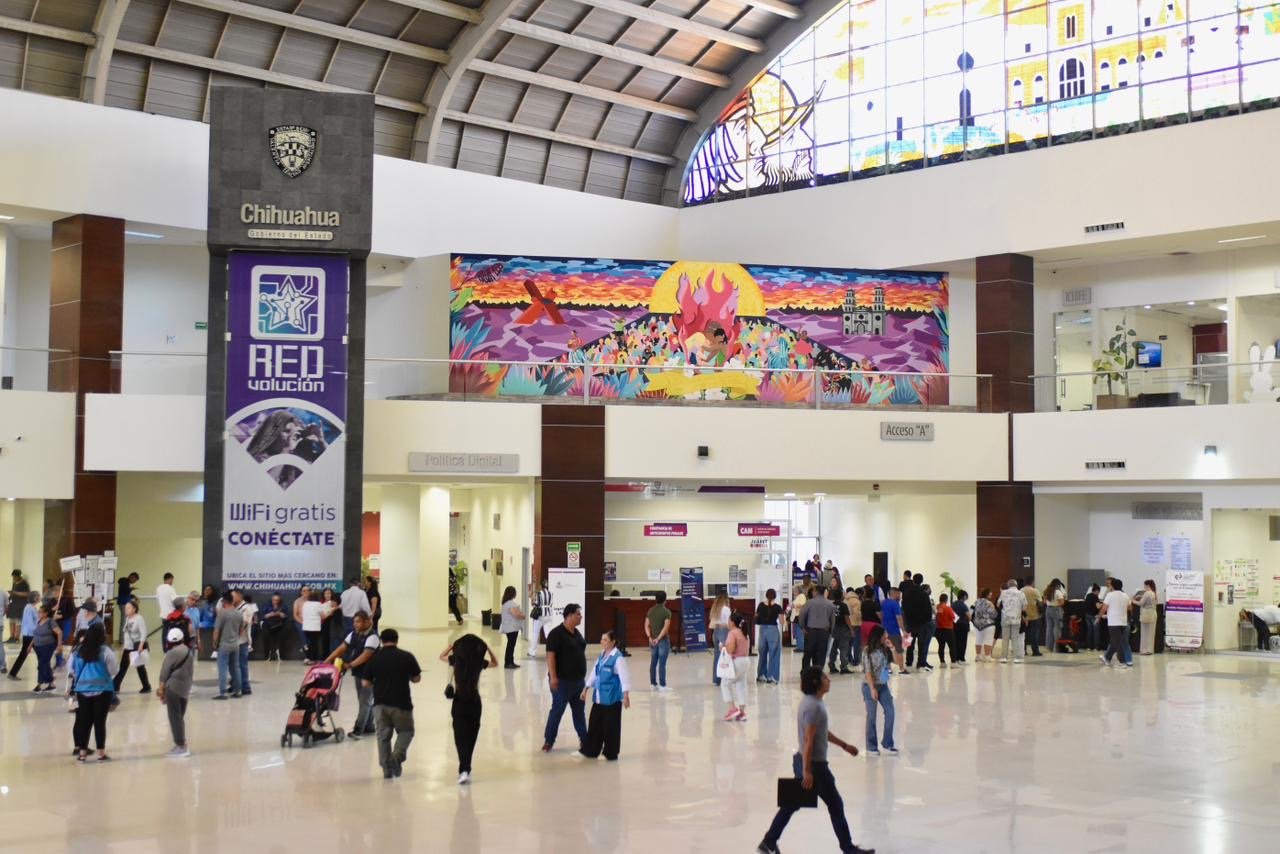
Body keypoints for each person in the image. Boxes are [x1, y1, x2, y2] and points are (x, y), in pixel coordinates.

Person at [756, 666, 874, 854]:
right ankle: (848, 848)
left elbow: (821, 732)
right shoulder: (814, 707)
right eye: (825, 678)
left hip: (803, 760)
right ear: (816, 683)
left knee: (791, 804)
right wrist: (807, 771)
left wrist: (844, 745)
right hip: (815, 765)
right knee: (835, 804)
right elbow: (809, 740)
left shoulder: (810, 702)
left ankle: (769, 841)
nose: (829, 680)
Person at [362, 628, 422, 780]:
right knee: (406, 732)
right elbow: (416, 678)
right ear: (397, 639)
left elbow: (365, 682)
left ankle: (387, 770)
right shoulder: (406, 656)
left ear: (381, 641)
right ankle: (397, 757)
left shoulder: (374, 658)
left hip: (379, 704)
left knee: (383, 737)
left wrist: (377, 685)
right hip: (401, 703)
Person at [440, 633, 497, 784]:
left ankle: (464, 769)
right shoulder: (479, 662)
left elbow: (441, 656)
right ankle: (466, 768)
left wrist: (450, 647)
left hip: (459, 702)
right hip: (475, 702)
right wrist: (489, 649)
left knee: (460, 738)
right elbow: (495, 663)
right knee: (472, 736)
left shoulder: (456, 660)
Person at [578, 629, 631, 760]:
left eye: (605, 640)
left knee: (611, 728)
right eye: (602, 639)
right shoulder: (602, 655)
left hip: (611, 700)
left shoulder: (618, 658)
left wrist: (626, 696)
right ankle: (591, 750)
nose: (602, 642)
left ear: (613, 642)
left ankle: (611, 753)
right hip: (599, 698)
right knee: (594, 724)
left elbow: (624, 677)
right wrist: (586, 689)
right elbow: (594, 673)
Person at [542, 603, 588, 752]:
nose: (581, 616)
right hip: (562, 682)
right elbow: (550, 656)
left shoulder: (577, 633)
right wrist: (553, 677)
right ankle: (549, 740)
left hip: (578, 682)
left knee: (579, 712)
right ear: (569, 616)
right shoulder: (556, 634)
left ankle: (584, 739)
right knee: (557, 711)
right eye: (578, 614)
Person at [326, 610, 380, 737]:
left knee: (365, 701)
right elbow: (342, 648)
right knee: (363, 700)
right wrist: (327, 660)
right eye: (354, 622)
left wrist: (350, 665)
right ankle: (369, 726)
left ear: (367, 622)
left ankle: (358, 730)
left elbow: (366, 655)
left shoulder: (373, 636)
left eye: (358, 622)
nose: (355, 624)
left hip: (370, 674)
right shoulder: (355, 634)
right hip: (359, 672)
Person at [69, 623, 119, 762]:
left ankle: (82, 754)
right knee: (99, 722)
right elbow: (113, 670)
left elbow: (72, 669)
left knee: (84, 722)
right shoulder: (106, 651)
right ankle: (101, 753)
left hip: (82, 690)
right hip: (103, 690)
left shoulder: (78, 651)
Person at [156, 626, 196, 757]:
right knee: (179, 717)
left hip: (173, 688)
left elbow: (164, 673)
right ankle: (181, 743)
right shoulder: (188, 651)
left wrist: (161, 691)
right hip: (185, 688)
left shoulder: (171, 653)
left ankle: (181, 746)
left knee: (175, 717)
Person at [861, 626, 899, 756]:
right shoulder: (867, 651)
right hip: (869, 686)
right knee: (871, 715)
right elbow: (867, 671)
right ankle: (871, 746)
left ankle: (887, 743)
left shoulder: (885, 649)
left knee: (890, 712)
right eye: (884, 635)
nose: (886, 636)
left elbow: (898, 663)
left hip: (883, 685)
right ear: (878, 636)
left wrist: (892, 648)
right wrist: (872, 688)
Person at [113, 600, 151, 693]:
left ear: (134, 609)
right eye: (126, 608)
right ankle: (115, 685)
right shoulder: (127, 619)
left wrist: (141, 646)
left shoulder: (139, 618)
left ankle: (146, 686)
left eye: (128, 608)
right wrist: (124, 646)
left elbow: (143, 633)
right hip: (128, 647)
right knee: (123, 667)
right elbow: (126, 634)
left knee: (139, 667)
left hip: (136, 646)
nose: (126, 609)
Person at [212, 592, 244, 698]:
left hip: (224, 645)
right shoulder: (239, 613)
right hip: (235, 645)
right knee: (235, 668)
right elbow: (241, 629)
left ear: (224, 601)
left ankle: (222, 693)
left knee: (222, 668)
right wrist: (236, 639)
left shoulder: (222, 613)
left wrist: (214, 642)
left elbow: (216, 631)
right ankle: (238, 691)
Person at [720, 612, 750, 722]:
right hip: (745, 661)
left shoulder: (732, 633)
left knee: (725, 683)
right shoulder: (744, 632)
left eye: (728, 620)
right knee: (741, 685)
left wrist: (723, 648)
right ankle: (742, 713)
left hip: (736, 661)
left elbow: (731, 649)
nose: (727, 622)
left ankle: (732, 708)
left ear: (732, 622)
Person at [902, 573, 933, 671]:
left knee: (909, 643)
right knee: (921, 644)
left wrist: (906, 619)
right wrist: (927, 620)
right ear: (921, 581)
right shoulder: (924, 594)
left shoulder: (907, 593)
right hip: (921, 623)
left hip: (909, 623)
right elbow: (928, 610)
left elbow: (903, 606)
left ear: (913, 581)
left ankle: (908, 663)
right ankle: (920, 664)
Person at [800, 585, 836, 673]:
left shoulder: (809, 602)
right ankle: (818, 672)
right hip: (824, 632)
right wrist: (831, 631)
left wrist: (802, 627)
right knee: (821, 653)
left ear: (816, 591)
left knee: (808, 653)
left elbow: (802, 614)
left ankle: (805, 672)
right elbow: (833, 620)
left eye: (813, 591)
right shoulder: (830, 604)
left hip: (810, 632)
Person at [1100, 578, 1133, 668]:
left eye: (1109, 584)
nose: (1108, 586)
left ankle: (1123, 662)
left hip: (1115, 623)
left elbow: (1104, 608)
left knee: (1119, 643)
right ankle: (1107, 658)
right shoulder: (1125, 595)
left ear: (1112, 586)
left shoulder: (1110, 595)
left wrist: (1099, 617)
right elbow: (1130, 608)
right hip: (1123, 622)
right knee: (1115, 642)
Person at [7, 592, 40, 680]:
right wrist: (38, 629)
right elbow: (30, 624)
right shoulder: (29, 608)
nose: (39, 598)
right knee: (35, 654)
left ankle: (12, 674)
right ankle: (12, 674)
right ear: (34, 598)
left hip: (31, 634)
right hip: (29, 635)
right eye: (38, 596)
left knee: (35, 654)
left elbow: (36, 620)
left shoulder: (32, 607)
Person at [645, 591, 673, 690]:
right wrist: (658, 638)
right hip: (663, 640)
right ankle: (662, 685)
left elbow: (646, 625)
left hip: (652, 640)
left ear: (655, 599)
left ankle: (653, 684)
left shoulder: (650, 611)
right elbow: (665, 628)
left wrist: (650, 637)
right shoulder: (667, 612)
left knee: (653, 662)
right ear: (665, 600)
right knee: (662, 663)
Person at [31, 603, 62, 692]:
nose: (39, 614)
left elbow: (59, 632)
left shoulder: (50, 621)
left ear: (46, 613)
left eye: (40, 612)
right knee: (45, 664)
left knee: (42, 664)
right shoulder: (39, 621)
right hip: (38, 647)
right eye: (38, 612)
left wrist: (59, 645)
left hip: (47, 646)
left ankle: (39, 684)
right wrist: (30, 646)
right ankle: (51, 684)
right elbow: (35, 635)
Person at [755, 589, 782, 685]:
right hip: (773, 630)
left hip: (762, 630)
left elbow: (756, 616)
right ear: (775, 596)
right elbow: (782, 621)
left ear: (766, 595)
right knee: (774, 653)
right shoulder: (778, 607)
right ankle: (772, 676)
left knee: (762, 653)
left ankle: (761, 675)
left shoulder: (760, 605)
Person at [997, 580, 1027, 664]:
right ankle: (1016, 658)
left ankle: (1004, 657)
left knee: (1005, 638)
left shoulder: (1003, 593)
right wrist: (1019, 610)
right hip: (1016, 619)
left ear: (1008, 585)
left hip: (1005, 618)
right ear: (1016, 585)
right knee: (1015, 638)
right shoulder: (1021, 593)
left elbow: (998, 604)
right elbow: (1025, 607)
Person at [881, 587, 908, 675]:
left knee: (887, 650)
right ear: (894, 593)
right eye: (899, 594)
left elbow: (881, 615)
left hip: (885, 630)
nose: (900, 596)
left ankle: (888, 668)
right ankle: (901, 669)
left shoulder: (884, 603)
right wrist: (903, 630)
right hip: (894, 631)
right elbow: (899, 618)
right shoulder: (895, 604)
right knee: (899, 650)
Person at [234, 590, 257, 694]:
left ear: (239, 596)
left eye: (233, 596)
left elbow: (244, 624)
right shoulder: (234, 607)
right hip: (233, 640)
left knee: (242, 664)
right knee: (234, 664)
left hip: (242, 640)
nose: (232, 598)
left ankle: (245, 687)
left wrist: (236, 635)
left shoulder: (246, 608)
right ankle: (235, 684)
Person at [828, 588, 854, 675]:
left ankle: (831, 665)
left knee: (834, 647)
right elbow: (846, 618)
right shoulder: (843, 605)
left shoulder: (831, 605)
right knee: (844, 648)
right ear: (842, 596)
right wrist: (851, 629)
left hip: (834, 628)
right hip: (843, 628)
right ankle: (844, 667)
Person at [498, 586, 524, 669]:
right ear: (512, 593)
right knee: (511, 645)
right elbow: (516, 614)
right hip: (511, 628)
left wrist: (520, 613)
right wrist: (522, 615)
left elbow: (517, 613)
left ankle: (510, 662)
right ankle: (508, 663)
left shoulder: (506, 603)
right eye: (515, 591)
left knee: (511, 645)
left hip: (510, 627)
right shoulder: (510, 604)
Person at [709, 592, 732, 685]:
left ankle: (716, 679)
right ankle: (724, 677)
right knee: (724, 655)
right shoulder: (726, 609)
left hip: (715, 631)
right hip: (724, 631)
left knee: (717, 655)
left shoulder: (715, 608)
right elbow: (729, 623)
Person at [528, 578, 553, 658]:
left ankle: (532, 652)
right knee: (548, 634)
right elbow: (551, 604)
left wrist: (533, 601)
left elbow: (537, 604)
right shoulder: (551, 593)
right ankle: (552, 651)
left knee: (535, 633)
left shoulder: (539, 594)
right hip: (549, 615)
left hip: (540, 616)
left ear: (541, 586)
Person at [260, 594, 289, 661]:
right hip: (268, 624)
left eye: (277, 600)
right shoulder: (266, 606)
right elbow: (263, 616)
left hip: (280, 624)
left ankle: (280, 654)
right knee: (266, 638)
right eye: (274, 600)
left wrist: (280, 614)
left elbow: (286, 616)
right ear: (271, 600)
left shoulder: (283, 606)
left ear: (279, 600)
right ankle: (268, 655)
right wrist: (270, 614)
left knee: (282, 637)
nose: (275, 601)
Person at [1021, 579, 1044, 657]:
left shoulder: (1021, 591)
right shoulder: (1035, 591)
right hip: (1034, 615)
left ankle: (1023, 651)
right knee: (1034, 634)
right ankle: (1035, 651)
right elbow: (1040, 602)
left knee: (1023, 634)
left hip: (1024, 616)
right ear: (1032, 583)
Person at [972, 589, 997, 662]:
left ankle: (978, 656)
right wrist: (994, 610)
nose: (991, 596)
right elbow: (993, 614)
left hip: (977, 625)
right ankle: (987, 656)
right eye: (990, 595)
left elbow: (971, 611)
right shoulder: (989, 603)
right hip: (988, 624)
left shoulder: (976, 602)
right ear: (987, 595)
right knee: (988, 640)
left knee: (978, 640)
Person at [7, 569, 30, 644]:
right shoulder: (14, 583)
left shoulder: (24, 583)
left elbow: (27, 594)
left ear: (19, 576)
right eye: (13, 576)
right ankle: (11, 637)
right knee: (11, 621)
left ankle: (16, 638)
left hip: (21, 605)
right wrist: (9, 597)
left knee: (18, 622)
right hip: (13, 604)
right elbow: (13, 592)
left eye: (15, 576)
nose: (13, 578)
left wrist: (15, 592)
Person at [301, 590, 324, 664]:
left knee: (308, 644)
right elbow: (322, 616)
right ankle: (312, 659)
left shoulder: (305, 604)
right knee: (314, 644)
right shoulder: (318, 604)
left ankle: (307, 658)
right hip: (314, 627)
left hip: (306, 626)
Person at [115, 572, 139, 642]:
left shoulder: (125, 582)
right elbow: (125, 591)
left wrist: (133, 596)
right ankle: (122, 640)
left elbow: (125, 593)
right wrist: (131, 589)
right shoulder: (125, 582)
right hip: (123, 604)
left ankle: (123, 639)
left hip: (124, 603)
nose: (134, 582)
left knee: (125, 621)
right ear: (132, 577)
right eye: (135, 580)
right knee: (124, 622)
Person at [935, 594, 958, 668]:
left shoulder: (937, 607)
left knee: (941, 646)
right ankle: (953, 663)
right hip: (948, 629)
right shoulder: (948, 608)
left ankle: (942, 662)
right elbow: (953, 617)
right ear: (946, 600)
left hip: (938, 629)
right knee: (952, 646)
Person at [1044, 579, 1066, 653]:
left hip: (1048, 609)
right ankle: (1057, 648)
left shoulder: (1047, 591)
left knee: (1049, 628)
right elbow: (1062, 603)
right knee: (1057, 628)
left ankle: (1049, 647)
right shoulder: (1058, 592)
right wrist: (1063, 597)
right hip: (1056, 609)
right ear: (1058, 585)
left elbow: (1044, 602)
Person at [1136, 580, 1158, 655]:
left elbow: (1141, 603)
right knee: (1151, 633)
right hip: (1153, 614)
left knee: (1145, 633)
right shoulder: (1154, 593)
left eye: (1144, 585)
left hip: (1146, 614)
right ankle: (1150, 650)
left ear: (1148, 585)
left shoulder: (1147, 593)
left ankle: (1144, 650)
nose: (1144, 587)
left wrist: (1133, 601)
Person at [292, 585, 311, 660]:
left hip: (311, 622)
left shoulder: (313, 600)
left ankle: (305, 648)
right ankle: (306, 652)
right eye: (304, 590)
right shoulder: (297, 601)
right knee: (302, 631)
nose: (306, 592)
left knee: (312, 635)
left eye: (308, 590)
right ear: (301, 592)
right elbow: (295, 615)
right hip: (300, 622)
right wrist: (302, 623)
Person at [320, 588, 340, 659]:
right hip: (322, 623)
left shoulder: (333, 603)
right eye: (326, 593)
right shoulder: (321, 602)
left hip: (331, 622)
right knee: (324, 640)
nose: (328, 595)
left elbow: (334, 612)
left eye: (329, 593)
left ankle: (332, 657)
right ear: (323, 594)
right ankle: (325, 657)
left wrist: (333, 609)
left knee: (332, 640)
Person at [952, 590, 971, 663]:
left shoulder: (953, 604)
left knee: (956, 641)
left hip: (955, 625)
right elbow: (969, 617)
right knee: (963, 642)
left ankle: (956, 658)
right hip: (963, 625)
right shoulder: (963, 605)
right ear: (964, 596)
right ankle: (961, 658)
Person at [1083, 584, 1103, 650]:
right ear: (1097, 591)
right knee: (1096, 631)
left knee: (1089, 631)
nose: (1099, 593)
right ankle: (1096, 647)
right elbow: (1098, 607)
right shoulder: (1095, 597)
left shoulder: (1088, 595)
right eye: (1099, 592)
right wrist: (1103, 603)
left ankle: (1088, 646)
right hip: (1093, 615)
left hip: (1087, 615)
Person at [790, 585, 807, 654]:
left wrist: (794, 605)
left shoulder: (801, 596)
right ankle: (799, 646)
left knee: (799, 632)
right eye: (793, 590)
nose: (794, 591)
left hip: (799, 616)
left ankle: (801, 647)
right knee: (796, 632)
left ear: (798, 590)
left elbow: (803, 605)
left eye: (795, 590)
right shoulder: (796, 597)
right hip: (795, 616)